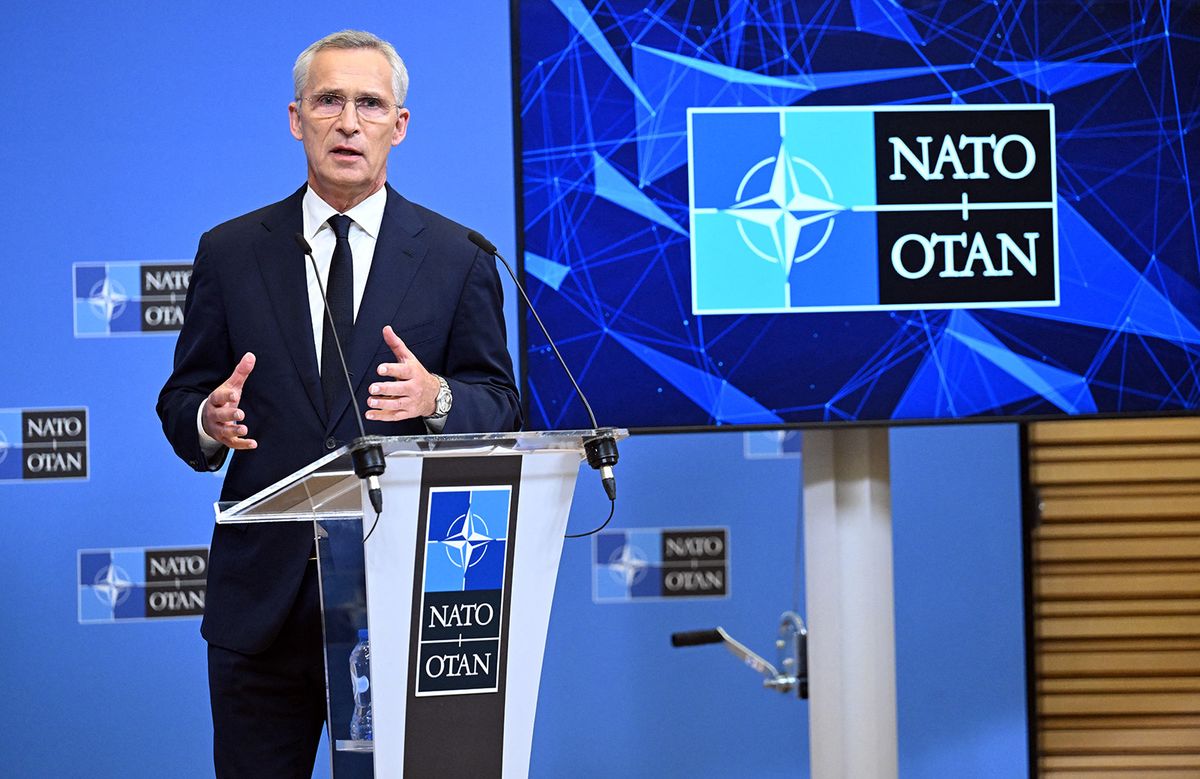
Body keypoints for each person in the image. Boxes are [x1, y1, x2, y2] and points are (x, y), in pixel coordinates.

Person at [157, 29, 520, 777]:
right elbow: (182, 396)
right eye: (329, 101)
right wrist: (208, 420)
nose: (348, 122)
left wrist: (437, 395)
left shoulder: (461, 257)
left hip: (406, 606)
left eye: (369, 103)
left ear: (400, 124)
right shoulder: (230, 251)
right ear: (297, 119)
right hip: (261, 609)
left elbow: (501, 404)